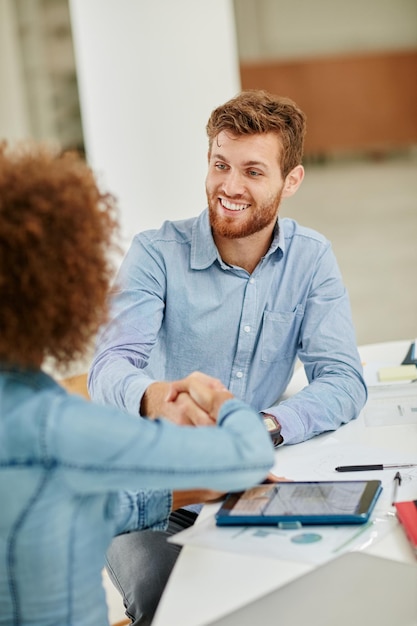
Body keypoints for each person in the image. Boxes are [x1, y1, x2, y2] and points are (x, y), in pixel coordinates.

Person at [88, 90, 367, 624]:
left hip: (245, 484)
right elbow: (111, 365)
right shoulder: (155, 254)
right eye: (220, 165)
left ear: (291, 181)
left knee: (311, 592)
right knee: (165, 600)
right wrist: (155, 399)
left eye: (253, 171)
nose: (230, 186)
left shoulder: (311, 259)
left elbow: (343, 379)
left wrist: (260, 428)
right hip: (153, 488)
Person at [0, 141, 275, 626]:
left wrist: (189, 492)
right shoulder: (57, 425)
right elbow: (248, 454)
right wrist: (213, 395)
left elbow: (74, 508)